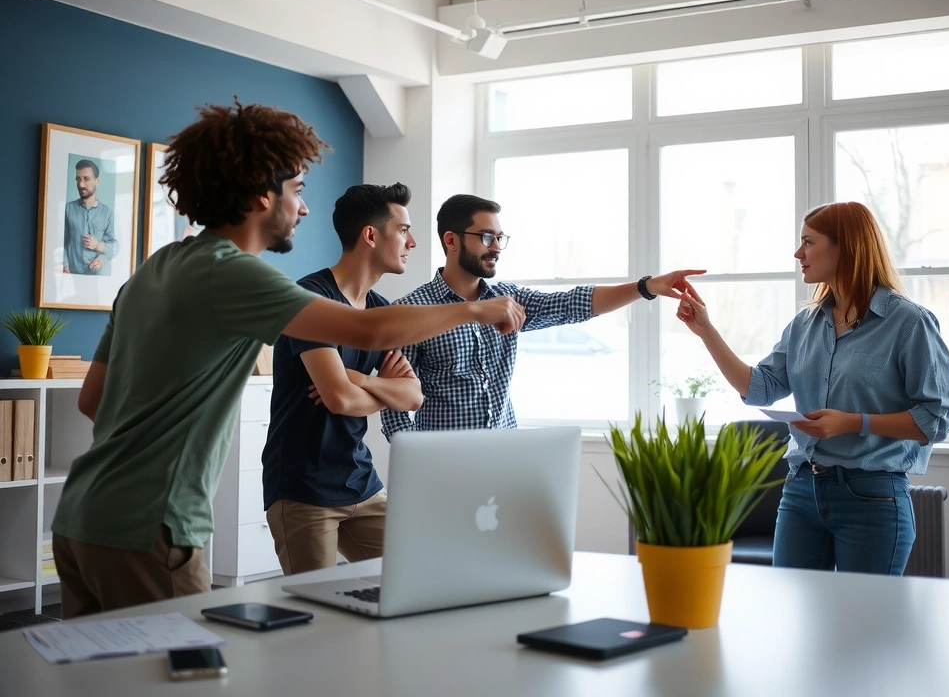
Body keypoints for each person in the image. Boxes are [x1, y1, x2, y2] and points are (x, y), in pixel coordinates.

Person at [50, 101, 525, 617]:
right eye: (297, 190)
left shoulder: (155, 268)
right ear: (263, 195)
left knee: (102, 665)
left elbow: (93, 400)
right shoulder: (233, 273)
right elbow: (367, 330)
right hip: (149, 524)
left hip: (81, 514)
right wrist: (475, 309)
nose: (303, 209)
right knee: (184, 665)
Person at [675, 201, 949, 575]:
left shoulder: (908, 322)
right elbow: (760, 388)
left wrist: (853, 422)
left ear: (845, 247)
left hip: (872, 498)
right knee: (794, 611)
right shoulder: (804, 324)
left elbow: (936, 419)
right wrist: (706, 331)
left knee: (862, 613)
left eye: (808, 242)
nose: (799, 253)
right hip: (800, 493)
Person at [381, 194, 703, 439]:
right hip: (444, 469)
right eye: (486, 237)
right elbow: (393, 408)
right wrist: (419, 462)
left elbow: (572, 304)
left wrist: (647, 286)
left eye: (499, 238)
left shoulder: (508, 300)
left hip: (507, 462)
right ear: (451, 240)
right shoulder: (410, 312)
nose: (496, 247)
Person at [263, 183, 420, 573]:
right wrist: (377, 389)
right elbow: (339, 400)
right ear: (371, 235)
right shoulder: (311, 300)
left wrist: (361, 380)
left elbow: (413, 395)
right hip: (303, 487)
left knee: (412, 575)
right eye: (403, 230)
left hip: (361, 481)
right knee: (314, 603)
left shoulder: (380, 312)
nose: (412, 242)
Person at [63, 159, 118, 275]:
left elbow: (115, 246)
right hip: (70, 275)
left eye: (86, 179)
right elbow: (61, 241)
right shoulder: (67, 209)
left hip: (98, 277)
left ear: (97, 181)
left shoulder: (108, 213)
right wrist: (65, 264)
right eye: (78, 178)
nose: (80, 184)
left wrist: (99, 253)